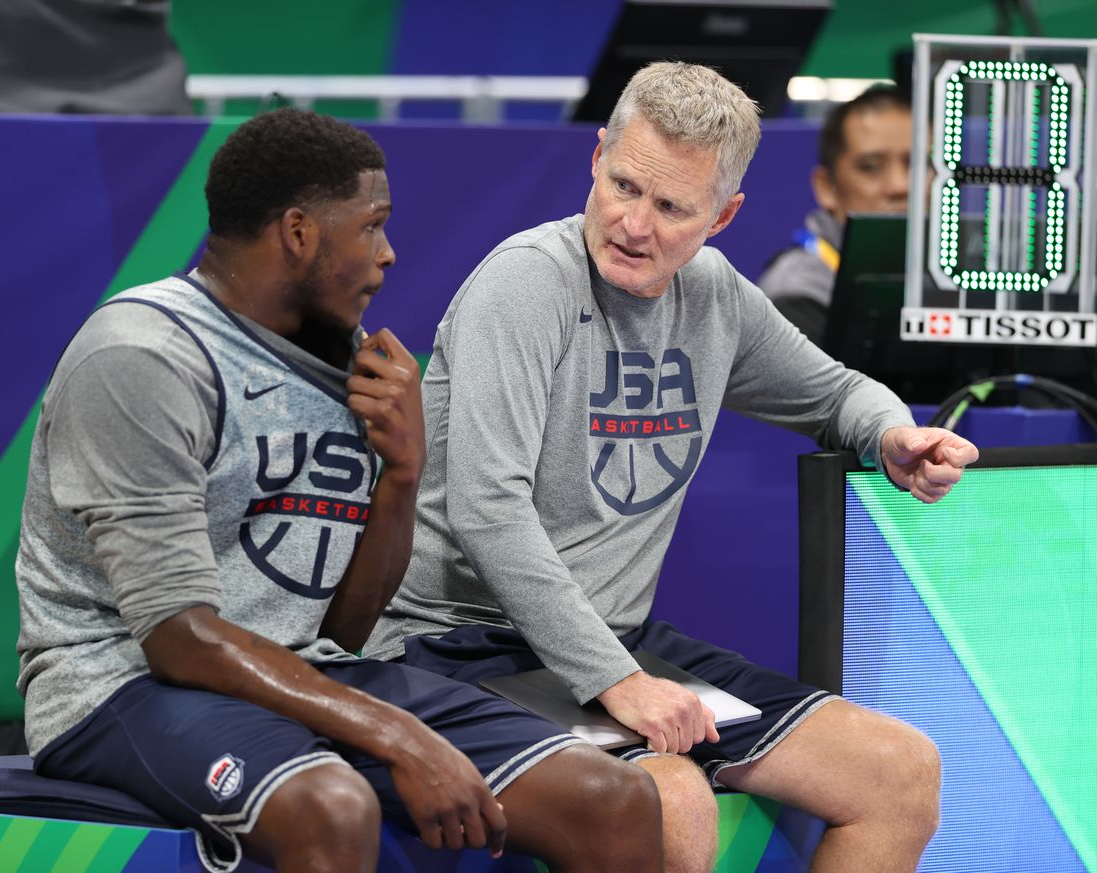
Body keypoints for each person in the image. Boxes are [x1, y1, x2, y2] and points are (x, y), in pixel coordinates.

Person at [363, 63, 978, 873]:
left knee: (901, 773)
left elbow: (835, 392)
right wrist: (616, 677)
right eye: (623, 186)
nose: (634, 224)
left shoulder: (714, 296)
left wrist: (891, 435)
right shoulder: (524, 284)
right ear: (596, 158)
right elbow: (486, 510)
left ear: (722, 216)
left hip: (609, 645)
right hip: (453, 645)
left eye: (672, 207)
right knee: (671, 799)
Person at [14, 108, 663, 873]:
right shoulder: (142, 356)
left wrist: (403, 475)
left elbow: (341, 629)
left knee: (611, 797)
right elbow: (178, 637)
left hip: (301, 667)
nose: (389, 256)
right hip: (117, 683)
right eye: (372, 227)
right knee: (332, 806)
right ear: (298, 233)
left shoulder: (346, 357)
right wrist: (393, 732)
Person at [758, 86, 913, 344]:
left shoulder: (961, 280)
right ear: (827, 187)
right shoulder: (795, 296)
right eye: (871, 167)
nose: (900, 186)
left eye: (918, 164)